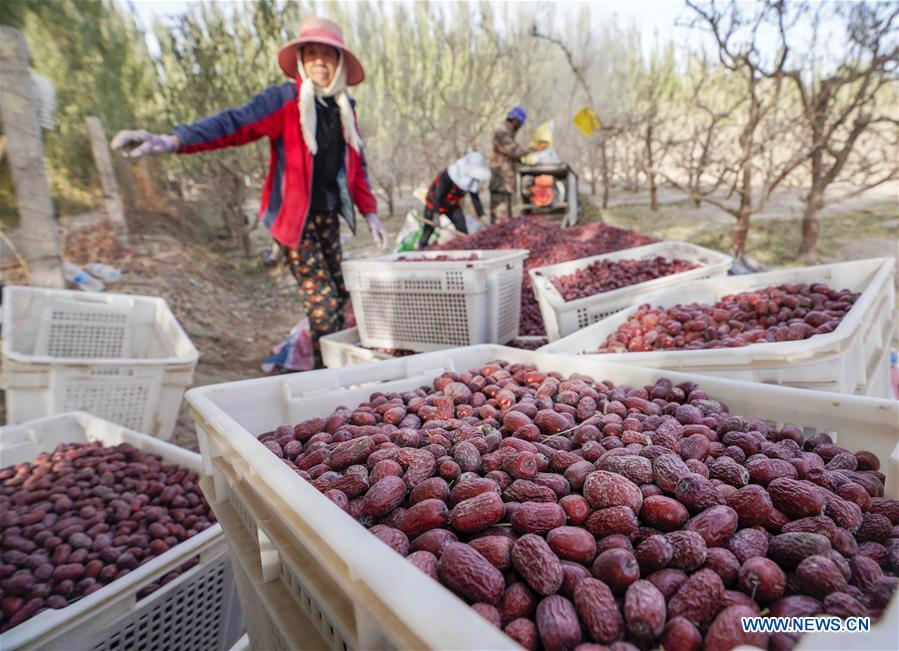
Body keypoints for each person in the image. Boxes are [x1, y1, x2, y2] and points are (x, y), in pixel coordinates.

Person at [111, 17, 388, 367]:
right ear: (301, 60)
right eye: (312, 53)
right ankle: (326, 372)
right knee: (323, 303)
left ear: (340, 62)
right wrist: (172, 140)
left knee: (341, 290)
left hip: (326, 216)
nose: (320, 61)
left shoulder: (345, 109)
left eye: (329, 54)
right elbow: (233, 124)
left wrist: (370, 212)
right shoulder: (284, 101)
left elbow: (355, 165)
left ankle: (334, 361)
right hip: (294, 221)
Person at [417, 152, 490, 249]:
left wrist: (482, 215)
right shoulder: (449, 175)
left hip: (452, 206)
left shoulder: (472, 180)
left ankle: (466, 250)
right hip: (434, 204)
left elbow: (475, 198)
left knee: (462, 229)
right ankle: (421, 249)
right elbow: (438, 196)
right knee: (428, 230)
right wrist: (436, 215)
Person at [488, 106, 533, 223]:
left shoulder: (508, 133)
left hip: (506, 183)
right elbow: (513, 151)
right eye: (520, 123)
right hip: (500, 182)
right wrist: (531, 150)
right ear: (515, 121)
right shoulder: (502, 131)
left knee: (506, 218)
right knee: (500, 218)